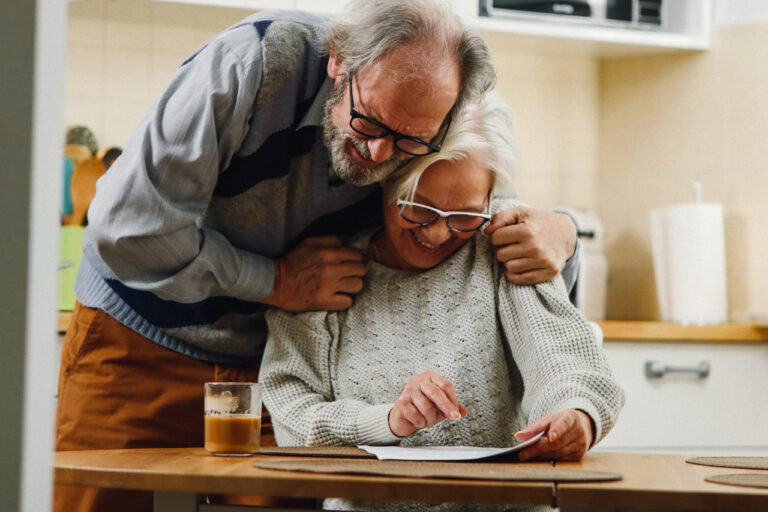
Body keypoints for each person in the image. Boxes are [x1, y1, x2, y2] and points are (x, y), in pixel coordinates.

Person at [55, 2, 579, 511]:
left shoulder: (436, 105)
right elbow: (128, 229)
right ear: (338, 59)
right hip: (140, 343)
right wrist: (275, 281)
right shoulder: (253, 62)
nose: (379, 156)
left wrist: (564, 231)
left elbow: (469, 194)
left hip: (271, 367)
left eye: (409, 143)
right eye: (369, 123)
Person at [259, 94, 625, 511]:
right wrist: (387, 421)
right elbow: (291, 416)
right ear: (384, 178)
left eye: (465, 216)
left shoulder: (501, 245)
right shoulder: (322, 276)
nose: (436, 235)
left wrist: (577, 415)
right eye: (418, 209)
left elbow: (567, 361)